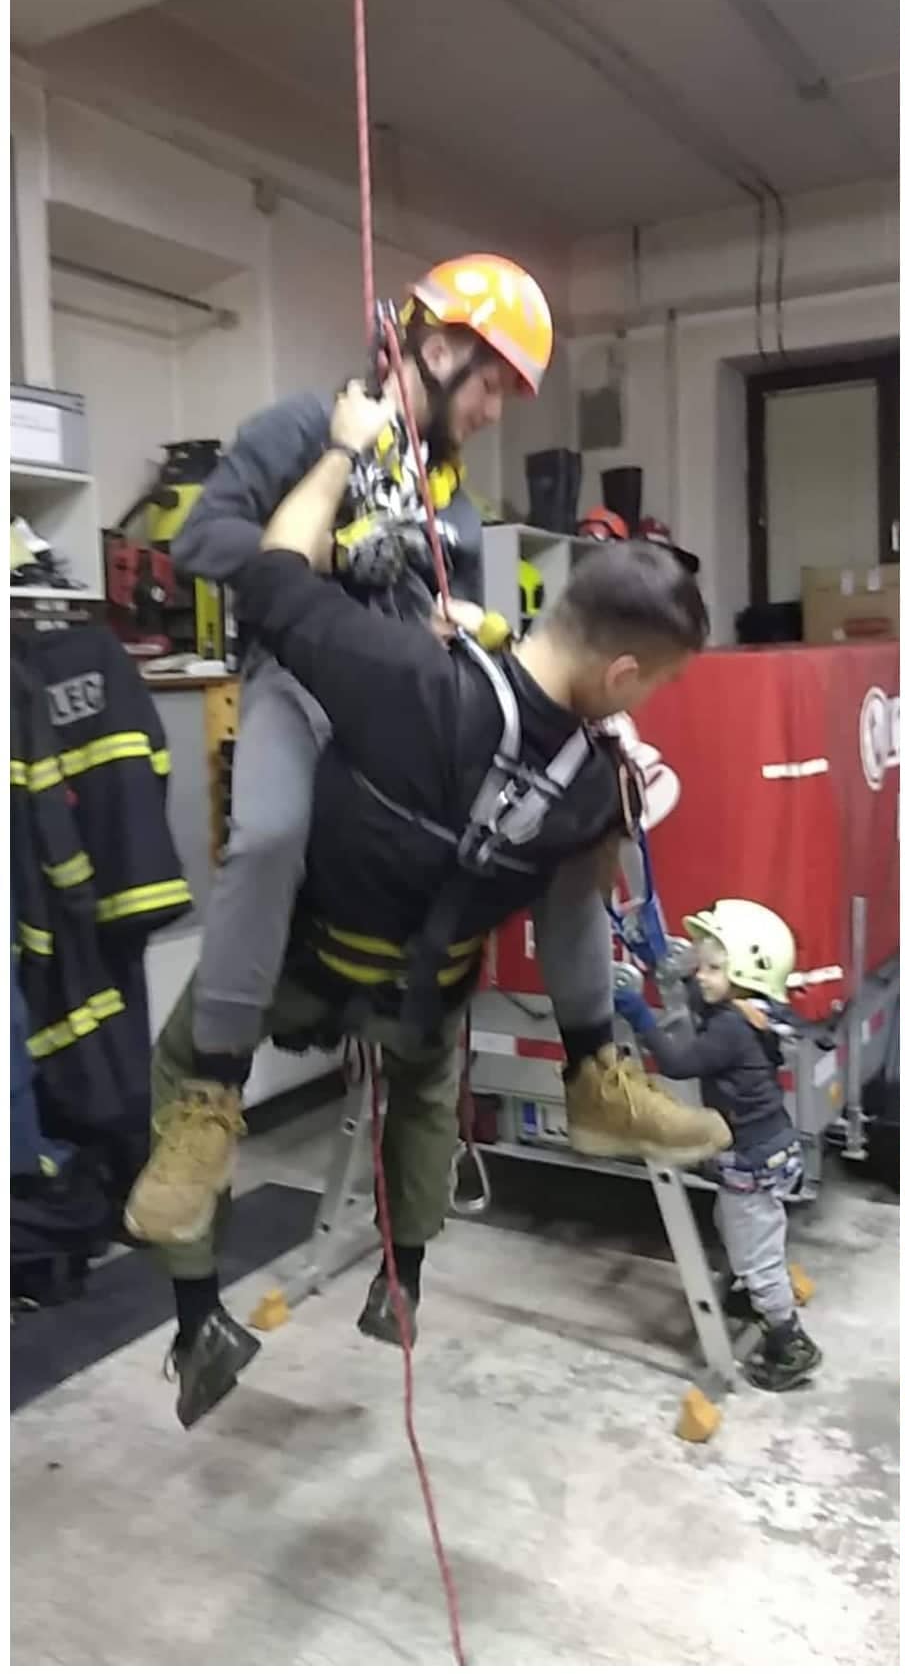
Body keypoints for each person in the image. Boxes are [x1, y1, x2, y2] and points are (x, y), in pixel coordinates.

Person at [128, 428, 731, 1428]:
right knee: (430, 1084)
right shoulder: (598, 785)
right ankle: (426, 1255)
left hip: (302, 963)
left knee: (186, 1063)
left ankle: (199, 1319)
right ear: (625, 675)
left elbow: (270, 581)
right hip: (422, 992)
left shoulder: (402, 678)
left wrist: (337, 453)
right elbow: (575, 914)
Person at [168, 252, 543, 1107]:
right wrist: (335, 554)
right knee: (268, 835)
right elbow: (201, 541)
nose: (492, 413)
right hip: (300, 681)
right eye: (491, 387)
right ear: (440, 352)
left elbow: (459, 604)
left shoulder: (450, 501)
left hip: (400, 698)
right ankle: (215, 1082)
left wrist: (454, 625)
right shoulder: (308, 428)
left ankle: (460, 1035)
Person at [615, 899, 824, 1392]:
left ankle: (790, 1342)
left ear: (745, 974)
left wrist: (639, 1014)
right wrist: (659, 959)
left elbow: (677, 1063)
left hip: (753, 1155)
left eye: (713, 968)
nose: (701, 976)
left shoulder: (731, 1026)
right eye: (702, 966)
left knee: (757, 1250)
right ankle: (752, 1295)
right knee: (735, 1225)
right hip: (762, 1148)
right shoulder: (749, 1009)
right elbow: (694, 994)